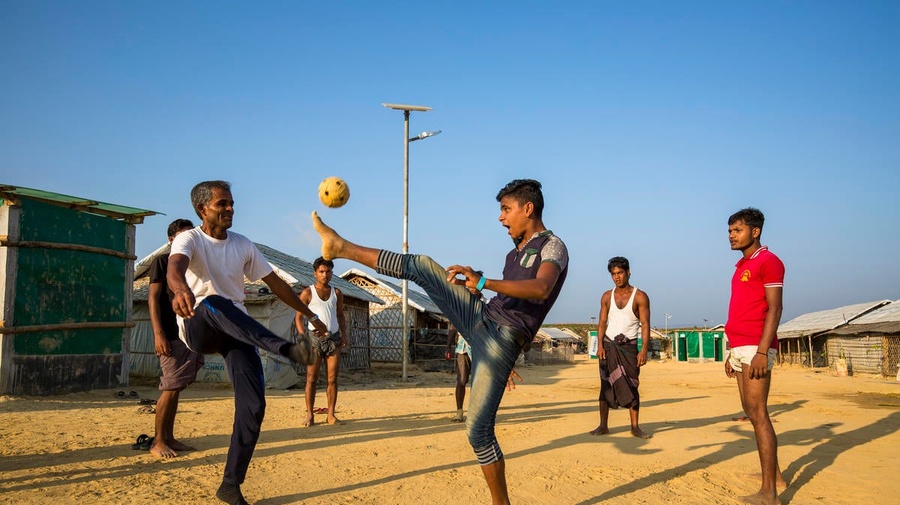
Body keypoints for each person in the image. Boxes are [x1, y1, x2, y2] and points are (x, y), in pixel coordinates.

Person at [311, 178, 567, 505]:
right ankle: (340, 246)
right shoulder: (513, 253)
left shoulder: (552, 245)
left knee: (477, 432)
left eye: (506, 209)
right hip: (482, 318)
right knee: (422, 266)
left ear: (527, 208)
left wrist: (487, 286)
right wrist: (476, 282)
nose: (501, 218)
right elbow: (509, 298)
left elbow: (541, 289)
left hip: (501, 341)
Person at [168, 180, 328, 505]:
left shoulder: (242, 244)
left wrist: (310, 316)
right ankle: (285, 348)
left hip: (236, 330)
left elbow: (277, 285)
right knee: (214, 301)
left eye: (231, 203)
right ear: (202, 209)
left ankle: (230, 485)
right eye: (222, 204)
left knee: (254, 407)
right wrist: (181, 290)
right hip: (199, 322)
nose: (230, 209)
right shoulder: (190, 238)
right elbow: (175, 268)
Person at [724, 207, 785, 505]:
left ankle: (769, 493)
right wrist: (730, 351)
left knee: (759, 413)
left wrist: (762, 351)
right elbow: (741, 308)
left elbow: (775, 308)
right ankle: (777, 476)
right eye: (730, 231)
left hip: (755, 347)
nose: (731, 235)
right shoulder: (740, 266)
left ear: (755, 231)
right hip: (739, 347)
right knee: (750, 410)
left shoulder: (769, 262)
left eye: (737, 230)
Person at [148, 218, 202, 458]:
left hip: (189, 333)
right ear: (171, 240)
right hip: (170, 333)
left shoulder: (193, 265)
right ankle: (158, 441)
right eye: (182, 236)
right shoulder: (162, 262)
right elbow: (153, 298)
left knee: (177, 387)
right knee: (170, 386)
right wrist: (158, 333)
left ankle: (169, 437)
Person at [589, 256, 652, 439]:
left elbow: (645, 325)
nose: (617, 277)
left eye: (620, 273)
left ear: (628, 272)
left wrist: (643, 350)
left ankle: (635, 427)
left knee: (632, 386)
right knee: (605, 385)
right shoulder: (607, 296)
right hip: (608, 347)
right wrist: (599, 345)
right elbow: (601, 322)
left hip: (629, 348)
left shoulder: (640, 296)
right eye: (613, 274)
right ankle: (603, 425)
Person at [295, 256, 348, 427]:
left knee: (332, 379)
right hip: (314, 340)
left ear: (332, 273)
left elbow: (340, 316)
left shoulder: (336, 293)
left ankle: (330, 414)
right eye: (322, 271)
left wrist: (344, 335)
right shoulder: (308, 293)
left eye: (328, 271)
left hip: (333, 339)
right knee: (311, 378)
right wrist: (303, 336)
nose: (325, 275)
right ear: (315, 273)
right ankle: (310, 415)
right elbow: (298, 317)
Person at [445, 323, 471, 423]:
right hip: (463, 348)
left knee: (479, 381)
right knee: (461, 380)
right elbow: (453, 326)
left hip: (481, 347)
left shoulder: (485, 308)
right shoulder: (461, 308)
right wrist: (448, 347)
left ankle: (477, 412)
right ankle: (459, 412)